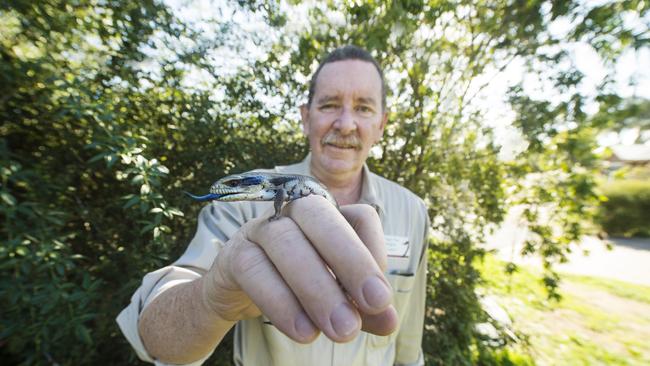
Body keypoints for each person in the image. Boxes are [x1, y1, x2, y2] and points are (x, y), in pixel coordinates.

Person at [117, 45, 429, 366]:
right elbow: (156, 339)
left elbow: (407, 344)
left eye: (363, 108)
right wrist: (214, 295)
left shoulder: (413, 211)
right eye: (329, 104)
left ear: (381, 124)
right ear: (306, 118)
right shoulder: (244, 205)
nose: (345, 124)